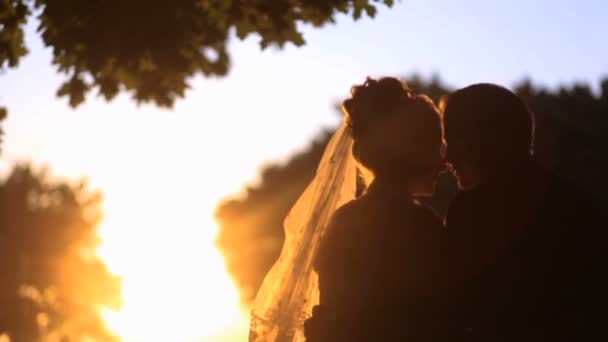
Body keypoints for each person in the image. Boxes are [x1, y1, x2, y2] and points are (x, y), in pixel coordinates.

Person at [441, 83, 606, 341]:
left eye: (452, 140)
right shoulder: (582, 206)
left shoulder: (469, 213)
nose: (447, 158)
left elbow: (459, 312)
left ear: (481, 141)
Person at [304, 77, 447, 341]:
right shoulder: (422, 226)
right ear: (411, 152)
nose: (444, 162)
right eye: (435, 147)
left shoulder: (343, 220)